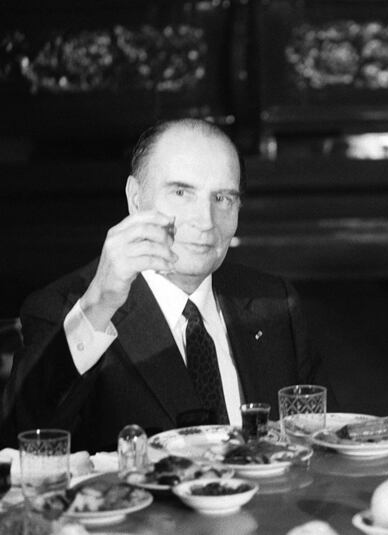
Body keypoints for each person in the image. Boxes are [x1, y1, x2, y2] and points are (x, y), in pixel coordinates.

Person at [0, 119, 332, 452]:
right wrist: (98, 306)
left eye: (223, 198)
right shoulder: (70, 307)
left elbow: (317, 443)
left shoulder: (274, 301)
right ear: (135, 198)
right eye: (181, 193)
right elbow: (23, 439)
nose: (205, 221)